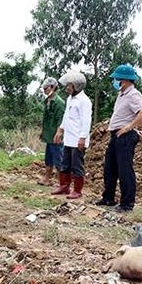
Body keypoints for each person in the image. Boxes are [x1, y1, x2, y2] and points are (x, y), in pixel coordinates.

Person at [95, 64, 142, 212]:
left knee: (125, 170)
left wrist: (129, 128)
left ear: (124, 80)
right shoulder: (122, 94)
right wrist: (133, 128)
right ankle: (108, 198)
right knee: (110, 168)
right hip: (116, 136)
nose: (114, 81)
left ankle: (127, 204)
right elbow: (129, 115)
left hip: (124, 137)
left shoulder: (133, 94)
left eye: (116, 79)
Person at [52, 71, 92, 199]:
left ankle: (77, 190)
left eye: (69, 85)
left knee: (77, 165)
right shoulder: (70, 99)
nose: (67, 88)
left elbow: (86, 121)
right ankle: (64, 186)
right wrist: (60, 130)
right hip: (69, 138)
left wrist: (82, 138)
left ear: (77, 86)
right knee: (65, 163)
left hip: (78, 139)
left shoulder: (84, 101)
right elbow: (66, 117)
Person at [38, 77, 66, 186]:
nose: (45, 90)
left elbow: (61, 119)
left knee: (59, 160)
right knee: (48, 159)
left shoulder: (59, 103)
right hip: (48, 135)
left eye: (46, 88)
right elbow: (45, 119)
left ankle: (61, 183)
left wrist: (59, 133)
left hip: (56, 135)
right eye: (44, 88)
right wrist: (42, 131)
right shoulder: (47, 101)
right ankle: (46, 179)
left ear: (54, 87)